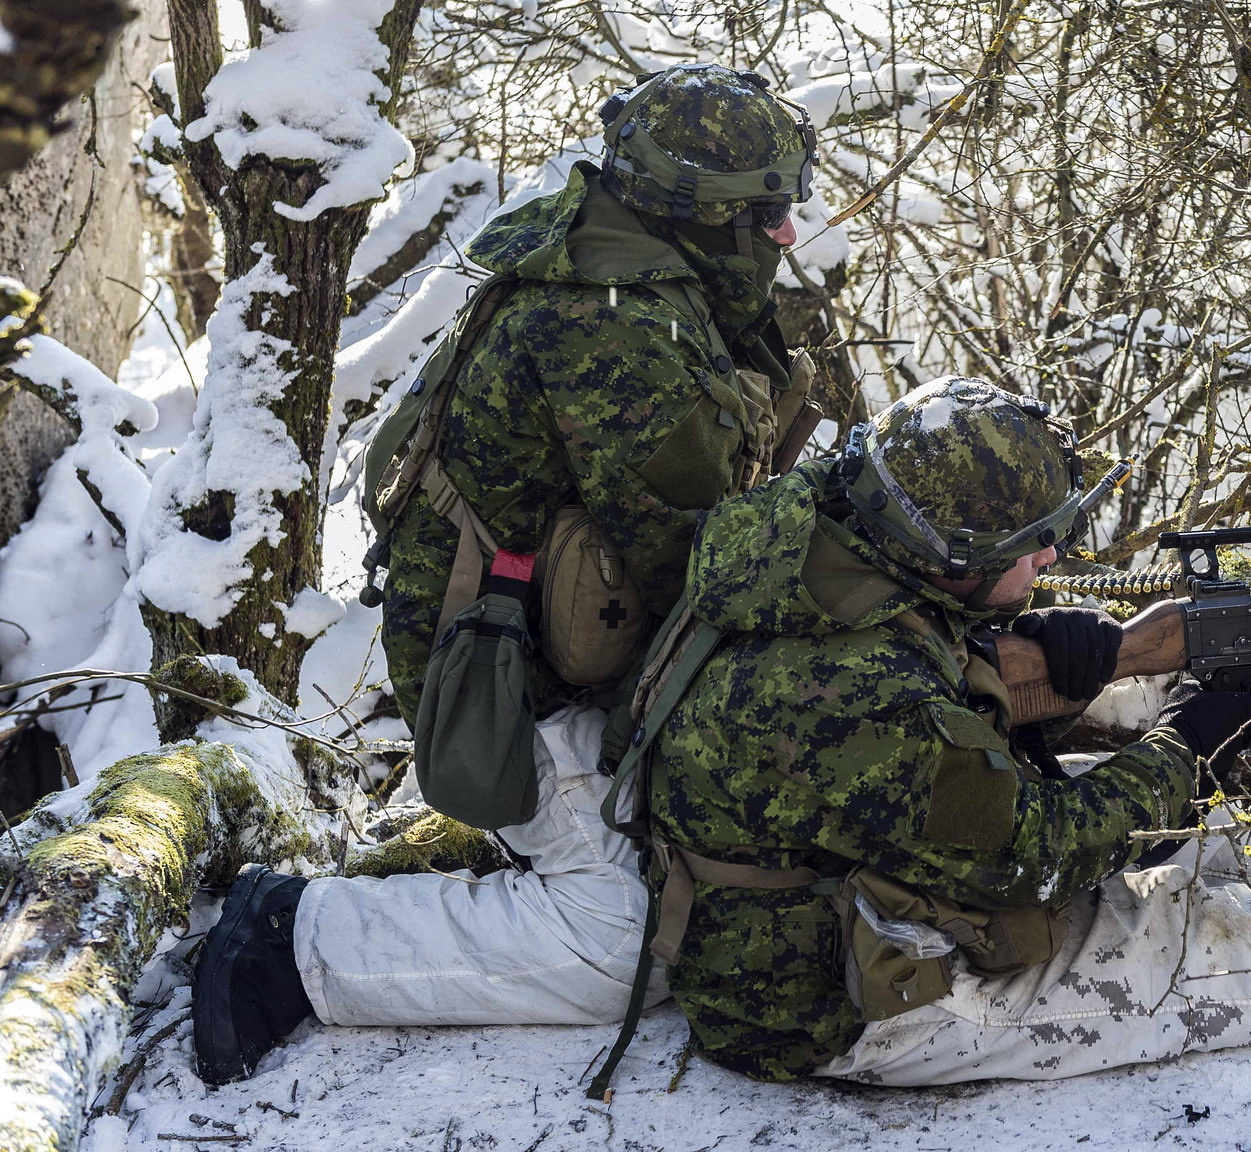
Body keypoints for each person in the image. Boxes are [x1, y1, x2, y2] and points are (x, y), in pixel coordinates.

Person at [639, 376, 1251, 1086]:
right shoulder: (861, 696)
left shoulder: (812, 538)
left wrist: (1037, 649)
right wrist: (1187, 738)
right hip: (838, 999)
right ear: (944, 550)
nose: (1050, 563)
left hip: (839, 874)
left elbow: (926, 688)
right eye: (1029, 553)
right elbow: (1037, 863)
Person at [191, 62, 819, 1085]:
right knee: (623, 941)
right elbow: (703, 571)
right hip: (502, 690)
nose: (785, 233)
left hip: (551, 645)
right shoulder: (618, 323)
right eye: (766, 211)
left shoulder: (630, 262)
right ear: (699, 213)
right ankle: (295, 937)